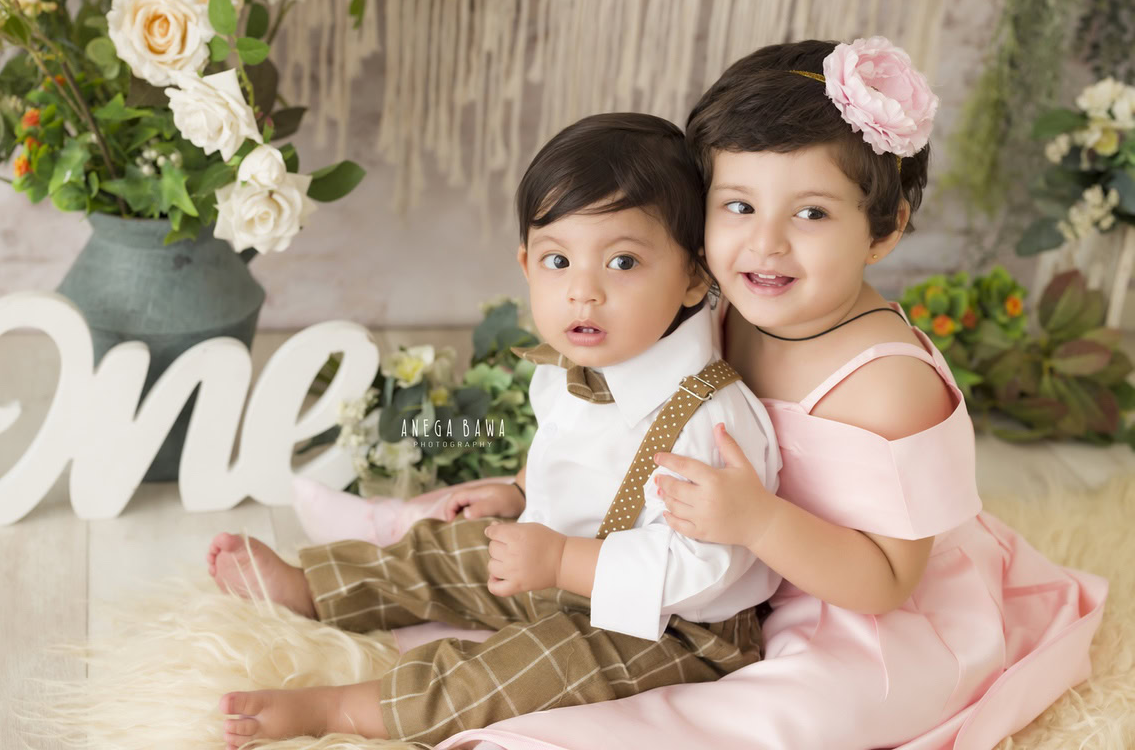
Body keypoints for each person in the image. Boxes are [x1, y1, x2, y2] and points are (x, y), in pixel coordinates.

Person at [424, 38, 1108, 750]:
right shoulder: (727, 310)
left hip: (852, 606)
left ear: (885, 228)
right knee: (538, 581)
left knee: (801, 715)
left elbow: (886, 582)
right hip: (728, 574)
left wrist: (758, 522)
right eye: (738, 206)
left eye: (811, 214)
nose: (766, 244)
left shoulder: (890, 384)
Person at [206, 112, 782, 749]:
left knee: (526, 670)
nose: (582, 293)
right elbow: (573, 457)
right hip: (556, 563)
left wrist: (564, 559)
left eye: (622, 261)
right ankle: (315, 587)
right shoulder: (571, 365)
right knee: (447, 549)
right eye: (557, 260)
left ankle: (345, 711)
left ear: (695, 276)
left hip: (670, 629)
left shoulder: (708, 418)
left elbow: (707, 565)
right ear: (526, 264)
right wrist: (517, 490)